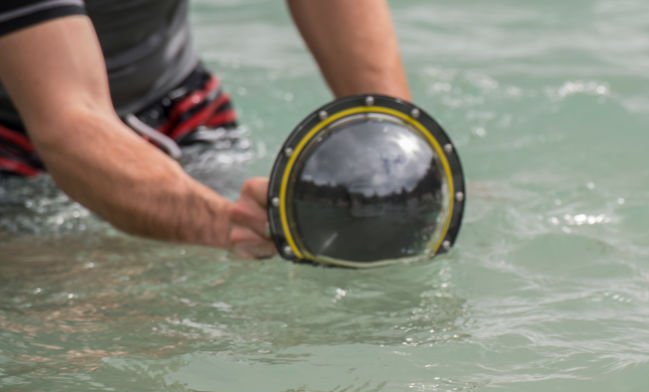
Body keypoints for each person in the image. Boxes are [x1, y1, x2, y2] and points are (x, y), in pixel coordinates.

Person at [0, 0, 411, 259]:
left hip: (179, 108)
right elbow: (69, 120)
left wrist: (399, 149)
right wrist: (226, 224)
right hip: (19, 141)